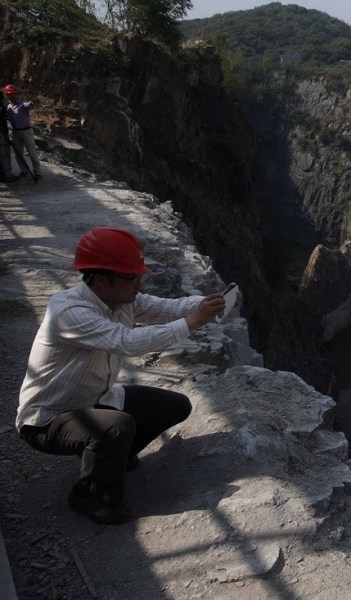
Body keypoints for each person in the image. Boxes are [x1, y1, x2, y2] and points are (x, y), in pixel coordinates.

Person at [16, 227, 238, 525]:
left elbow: (165, 308)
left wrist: (212, 303)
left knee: (175, 405)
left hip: (95, 401)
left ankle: (110, 459)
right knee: (118, 427)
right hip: (48, 419)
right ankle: (90, 494)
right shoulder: (68, 311)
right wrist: (192, 323)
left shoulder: (121, 300)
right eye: (132, 277)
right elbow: (126, 341)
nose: (138, 283)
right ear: (102, 278)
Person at [4, 83, 42, 181]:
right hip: (16, 132)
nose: (11, 96)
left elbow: (29, 105)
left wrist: (31, 103)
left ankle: (37, 172)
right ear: (7, 95)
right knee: (18, 154)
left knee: (32, 153)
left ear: (16, 94)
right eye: (9, 94)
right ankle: (24, 170)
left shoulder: (22, 104)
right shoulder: (8, 107)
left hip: (26, 131)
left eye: (12, 94)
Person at [0, 108, 18, 183]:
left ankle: (6, 174)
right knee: (4, 154)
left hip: (3, 131)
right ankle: (6, 175)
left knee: (5, 154)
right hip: (2, 133)